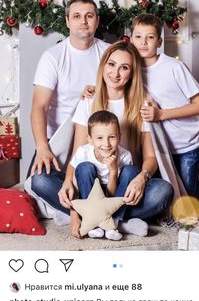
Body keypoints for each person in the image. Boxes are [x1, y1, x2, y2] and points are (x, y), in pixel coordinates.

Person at [58, 41, 174, 238]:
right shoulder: (89, 101)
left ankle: (108, 221)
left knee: (163, 190)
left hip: (124, 183)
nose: (116, 73)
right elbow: (77, 156)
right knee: (41, 182)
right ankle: (118, 223)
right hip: (90, 182)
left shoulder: (142, 104)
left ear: (132, 73)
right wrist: (68, 187)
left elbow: (150, 157)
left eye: (124, 67)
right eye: (111, 64)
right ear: (103, 66)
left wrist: (142, 178)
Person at [29, 0, 109, 177]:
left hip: (95, 138)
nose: (83, 21)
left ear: (97, 21)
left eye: (89, 16)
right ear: (67, 21)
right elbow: (39, 106)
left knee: (89, 184)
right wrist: (42, 147)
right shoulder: (52, 56)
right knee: (38, 182)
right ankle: (72, 205)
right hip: (57, 137)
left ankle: (83, 201)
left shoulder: (109, 53)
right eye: (77, 16)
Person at [130, 13, 199, 196]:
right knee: (169, 196)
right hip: (157, 147)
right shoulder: (130, 69)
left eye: (150, 37)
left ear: (159, 41)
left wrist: (161, 115)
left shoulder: (174, 67)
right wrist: (93, 88)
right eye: (138, 37)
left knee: (189, 196)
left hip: (186, 144)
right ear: (131, 38)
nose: (143, 42)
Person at [70, 109, 136, 241]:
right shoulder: (83, 152)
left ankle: (113, 224)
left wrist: (113, 171)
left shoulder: (125, 156)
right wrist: (74, 214)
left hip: (114, 196)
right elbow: (75, 186)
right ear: (90, 139)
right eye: (99, 138)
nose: (106, 144)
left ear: (119, 137)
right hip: (89, 196)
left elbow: (112, 197)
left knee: (131, 171)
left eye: (112, 137)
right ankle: (94, 222)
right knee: (84, 167)